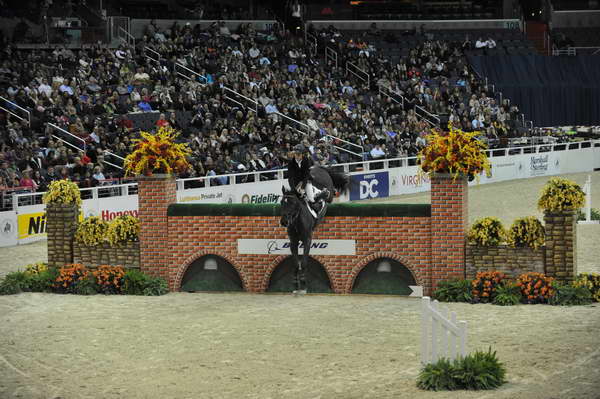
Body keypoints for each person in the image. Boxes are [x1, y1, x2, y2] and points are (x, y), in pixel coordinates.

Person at [286, 144, 328, 217]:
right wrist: (294, 189)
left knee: (311, 199)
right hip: (296, 183)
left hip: (306, 181)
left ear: (302, 154)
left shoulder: (306, 160)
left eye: (299, 154)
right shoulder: (291, 163)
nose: (297, 156)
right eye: (296, 154)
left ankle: (316, 212)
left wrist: (302, 188)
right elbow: (290, 177)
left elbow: (306, 175)